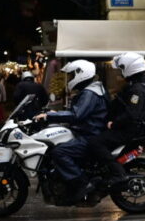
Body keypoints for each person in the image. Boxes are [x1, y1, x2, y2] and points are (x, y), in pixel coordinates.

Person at [34, 60, 108, 203]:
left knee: (58, 152)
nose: (71, 78)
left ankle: (82, 183)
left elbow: (76, 115)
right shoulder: (92, 90)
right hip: (89, 132)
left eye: (73, 74)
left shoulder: (90, 93)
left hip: (89, 135)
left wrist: (49, 116)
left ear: (81, 74)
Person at [89, 52, 145, 186]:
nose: (121, 72)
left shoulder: (138, 89)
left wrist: (114, 124)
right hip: (138, 129)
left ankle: (117, 173)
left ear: (131, 67)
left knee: (94, 143)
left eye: (122, 68)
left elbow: (132, 114)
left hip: (129, 130)